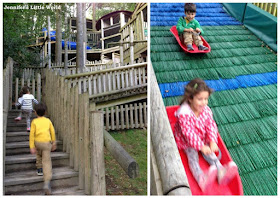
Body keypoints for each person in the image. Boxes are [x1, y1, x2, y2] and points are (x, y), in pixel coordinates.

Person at [174, 78, 238, 192]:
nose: (204, 102)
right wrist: (201, 146)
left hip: (202, 137)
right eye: (200, 99)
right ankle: (201, 179)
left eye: (206, 99)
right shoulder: (184, 113)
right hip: (187, 141)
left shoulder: (205, 110)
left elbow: (210, 125)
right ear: (190, 99)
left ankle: (221, 171)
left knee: (211, 153)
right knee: (192, 157)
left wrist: (212, 141)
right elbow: (188, 133)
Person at [30, 103, 57, 195]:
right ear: (45, 112)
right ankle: (47, 182)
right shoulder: (48, 121)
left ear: (35, 112)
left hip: (37, 142)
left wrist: (32, 146)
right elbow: (52, 132)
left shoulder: (34, 122)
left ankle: (39, 169)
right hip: (46, 143)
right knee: (47, 161)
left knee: (38, 154)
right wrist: (54, 142)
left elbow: (31, 135)